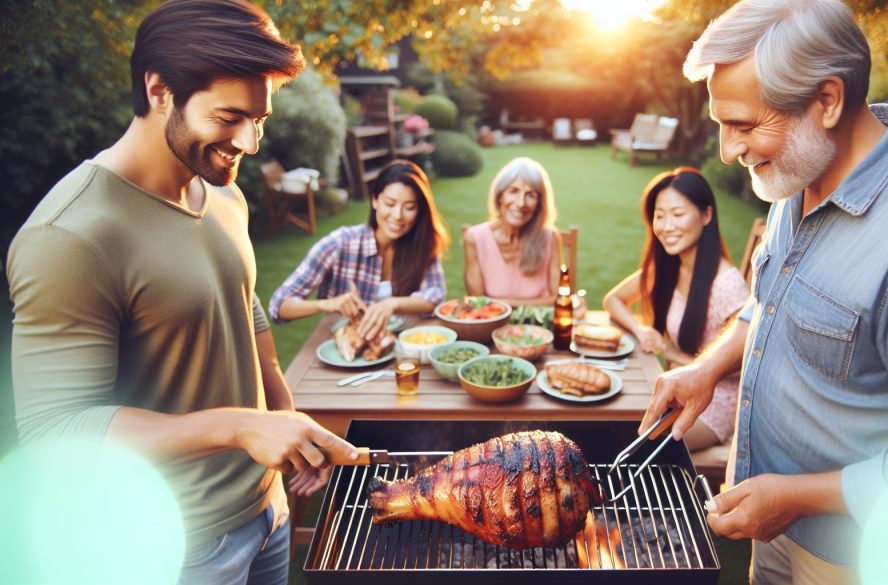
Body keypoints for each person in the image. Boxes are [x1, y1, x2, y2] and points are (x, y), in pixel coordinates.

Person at [637, 0, 888, 581]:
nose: (727, 150)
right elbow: (769, 304)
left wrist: (797, 497)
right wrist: (706, 368)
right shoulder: (798, 177)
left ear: (827, 101)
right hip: (775, 526)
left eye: (745, 125)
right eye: (722, 123)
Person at [6, 1, 361, 582]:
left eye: (259, 119)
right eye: (229, 117)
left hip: (267, 510)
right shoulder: (71, 236)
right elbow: (55, 435)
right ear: (159, 90)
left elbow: (242, 306)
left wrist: (285, 420)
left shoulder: (222, 193)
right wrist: (240, 427)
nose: (250, 141)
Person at [604, 167, 748, 451]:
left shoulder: (726, 285)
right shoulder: (670, 267)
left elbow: (749, 363)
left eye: (678, 214)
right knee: (607, 421)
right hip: (675, 390)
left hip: (715, 403)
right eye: (660, 215)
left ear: (706, 215)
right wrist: (641, 330)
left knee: (631, 444)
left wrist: (673, 355)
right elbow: (613, 300)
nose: (667, 226)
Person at [269, 160, 449, 340]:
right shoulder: (340, 243)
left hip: (402, 346)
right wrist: (327, 304)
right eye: (390, 204)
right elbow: (279, 305)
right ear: (375, 200)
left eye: (409, 207)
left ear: (419, 210)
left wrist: (392, 304)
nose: (397, 216)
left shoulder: (422, 245)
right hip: (347, 347)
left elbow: (435, 296)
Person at [464, 157, 562, 306]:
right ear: (500, 196)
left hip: (540, 321)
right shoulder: (474, 238)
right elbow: (478, 304)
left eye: (530, 195)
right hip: (493, 321)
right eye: (513, 191)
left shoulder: (550, 237)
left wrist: (498, 304)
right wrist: (540, 303)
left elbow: (559, 299)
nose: (521, 203)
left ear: (539, 203)